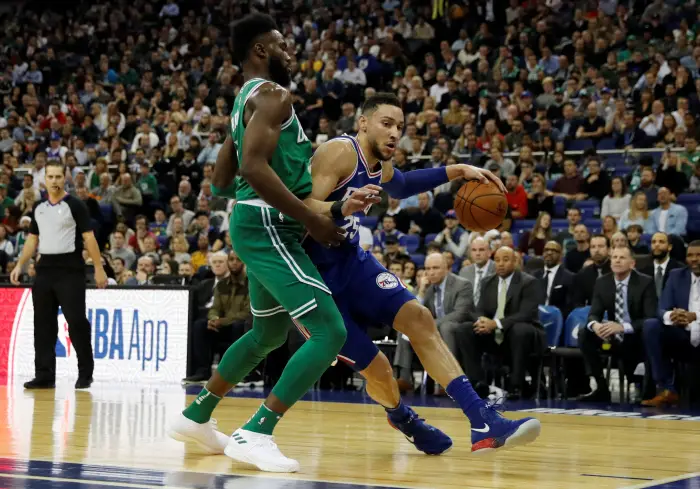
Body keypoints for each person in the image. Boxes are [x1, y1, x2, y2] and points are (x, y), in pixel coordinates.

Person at [167, 14, 378, 473]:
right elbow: (252, 172)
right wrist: (311, 219)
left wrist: (333, 209)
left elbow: (222, 179)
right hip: (270, 228)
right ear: (260, 51)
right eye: (282, 45)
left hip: (255, 224)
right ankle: (257, 430)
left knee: (267, 333)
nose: (290, 52)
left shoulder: (244, 103)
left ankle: (197, 414)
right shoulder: (273, 95)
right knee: (330, 332)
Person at [301, 92, 540, 454]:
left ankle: (482, 420)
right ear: (362, 122)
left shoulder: (377, 164)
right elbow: (302, 209)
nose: (395, 132)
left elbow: (402, 185)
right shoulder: (339, 152)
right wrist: (339, 206)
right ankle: (401, 416)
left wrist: (458, 171)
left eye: (400, 126)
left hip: (350, 259)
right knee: (379, 371)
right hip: (310, 274)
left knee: (419, 318)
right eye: (386, 123)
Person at [10, 161, 107, 389]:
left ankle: (85, 372)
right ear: (44, 179)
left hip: (70, 270)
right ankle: (44, 374)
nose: (54, 181)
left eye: (58, 177)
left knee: (76, 321)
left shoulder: (76, 206)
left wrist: (99, 268)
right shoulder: (39, 207)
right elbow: (33, 239)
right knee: (43, 324)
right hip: (45, 270)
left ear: (65, 179)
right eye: (50, 177)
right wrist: (20, 265)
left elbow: (89, 237)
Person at [462, 247, 546, 400]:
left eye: (506, 260)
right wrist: (482, 321)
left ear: (515, 262)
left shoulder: (528, 282)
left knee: (519, 330)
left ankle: (516, 385)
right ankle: (477, 383)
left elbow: (526, 314)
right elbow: (479, 309)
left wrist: (496, 323)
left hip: (523, 335)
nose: (500, 264)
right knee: (465, 329)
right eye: (497, 260)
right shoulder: (487, 282)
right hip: (494, 335)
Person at [577, 246, 657, 402]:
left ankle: (643, 388)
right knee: (585, 333)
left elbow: (650, 318)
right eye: (614, 257)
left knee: (646, 334)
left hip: (636, 336)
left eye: (622, 258)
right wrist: (596, 326)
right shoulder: (602, 282)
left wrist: (623, 327)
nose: (617, 261)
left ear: (632, 263)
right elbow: (594, 313)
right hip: (611, 337)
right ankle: (601, 387)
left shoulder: (645, 283)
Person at [642, 241, 700, 407]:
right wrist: (673, 316)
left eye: (698, 255)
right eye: (690, 255)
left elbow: (693, 316)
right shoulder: (676, 275)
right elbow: (661, 308)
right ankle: (667, 389)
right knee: (651, 325)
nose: (694, 259)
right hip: (682, 336)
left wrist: (694, 316)